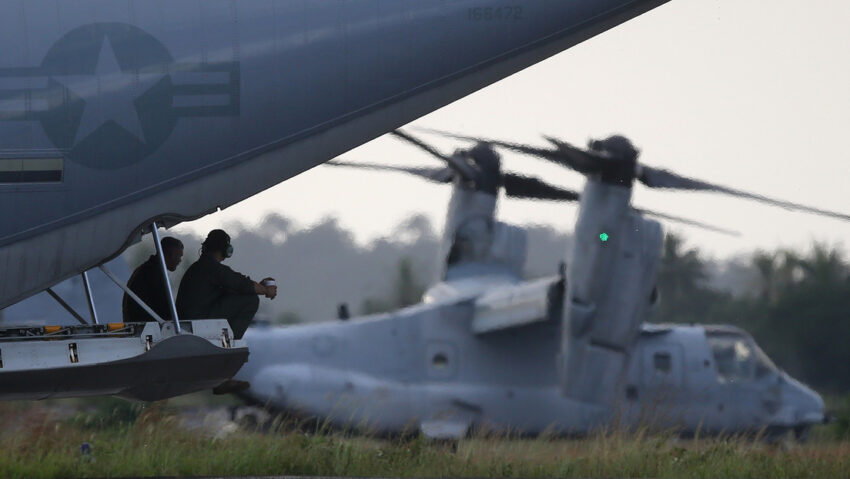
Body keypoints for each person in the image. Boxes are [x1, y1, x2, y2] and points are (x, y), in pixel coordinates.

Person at [176, 229, 276, 339]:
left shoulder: (199, 266)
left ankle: (226, 340)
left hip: (189, 321)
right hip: (197, 321)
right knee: (251, 300)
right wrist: (266, 290)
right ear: (225, 250)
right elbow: (241, 283)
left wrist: (259, 286)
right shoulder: (212, 268)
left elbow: (235, 287)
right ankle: (229, 342)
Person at [122, 237, 184, 323]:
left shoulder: (148, 269)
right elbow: (165, 309)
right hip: (143, 326)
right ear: (171, 254)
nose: (180, 260)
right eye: (179, 256)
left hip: (136, 323)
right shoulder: (154, 273)